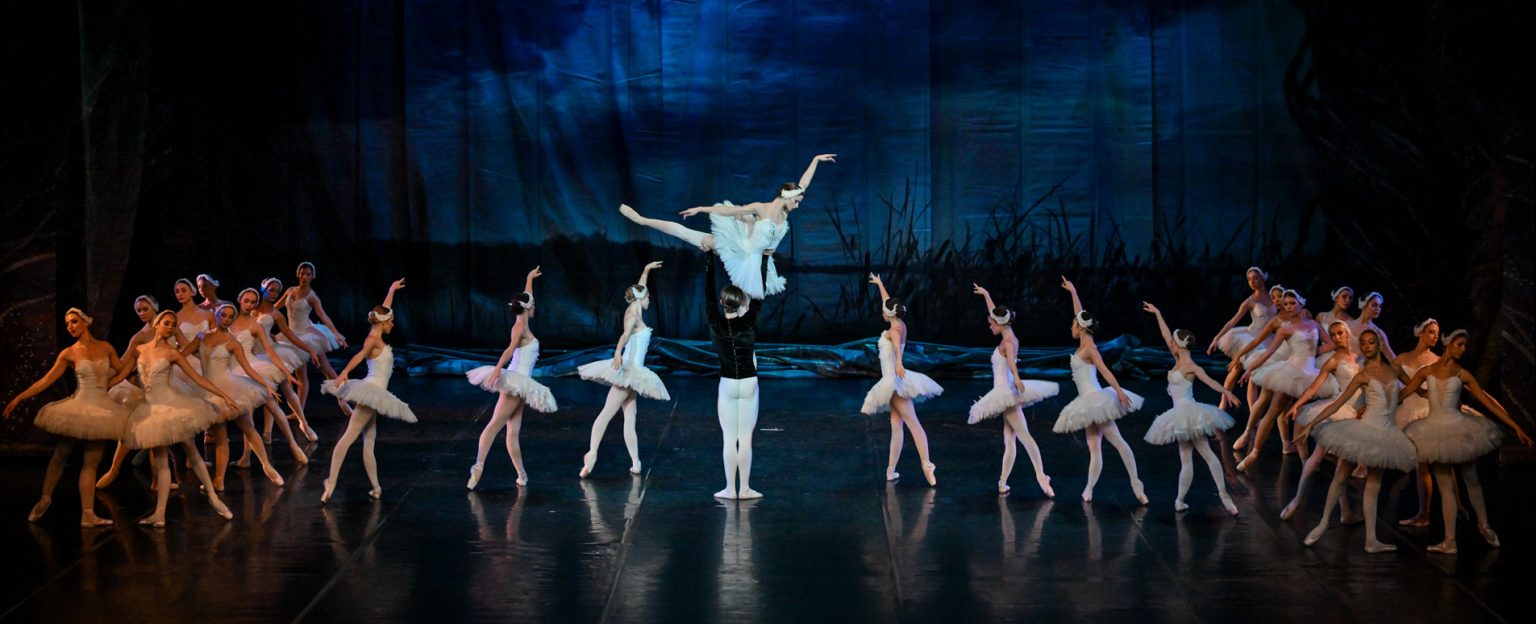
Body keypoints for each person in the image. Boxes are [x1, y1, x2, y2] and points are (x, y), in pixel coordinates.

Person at [619, 154, 837, 299]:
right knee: (693, 236)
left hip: (757, 258)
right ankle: (643, 220)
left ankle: (741, 340)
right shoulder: (761, 208)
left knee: (748, 301)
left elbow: (804, 183)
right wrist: (701, 209)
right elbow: (728, 211)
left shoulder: (785, 211)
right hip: (741, 249)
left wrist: (815, 160)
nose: (797, 206)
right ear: (786, 195)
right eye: (796, 201)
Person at [320, 279, 417, 503]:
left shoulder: (377, 332)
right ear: (384, 322)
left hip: (375, 392)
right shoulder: (373, 338)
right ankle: (331, 483)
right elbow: (360, 355)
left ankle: (376, 488)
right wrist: (345, 371)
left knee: (369, 441)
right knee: (349, 437)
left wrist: (391, 290)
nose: (393, 324)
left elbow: (385, 309)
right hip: (371, 391)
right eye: (391, 321)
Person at [1140, 303, 1240, 515]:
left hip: (1190, 414)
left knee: (1206, 453)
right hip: (1179, 415)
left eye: (1173, 342)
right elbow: (1166, 335)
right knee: (1185, 459)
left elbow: (1210, 381)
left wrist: (1227, 392)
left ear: (1179, 345)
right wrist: (1158, 313)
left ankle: (1224, 496)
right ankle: (1179, 500)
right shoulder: (1177, 359)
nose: (1170, 344)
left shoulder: (1192, 367)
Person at [1054, 277, 1147, 505]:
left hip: (1095, 400)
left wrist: (1120, 392)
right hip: (1087, 402)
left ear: (1080, 328)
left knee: (1118, 442)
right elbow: (1079, 313)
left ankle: (1137, 485)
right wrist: (1073, 292)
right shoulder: (1084, 343)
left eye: (1073, 324)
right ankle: (1089, 489)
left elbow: (1105, 371)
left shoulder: (1090, 349)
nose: (1071, 326)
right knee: (1094, 448)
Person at [465, 268, 558, 489]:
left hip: (520, 383)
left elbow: (528, 297)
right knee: (494, 426)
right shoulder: (520, 327)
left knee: (513, 432)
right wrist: (497, 370)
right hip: (516, 381)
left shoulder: (523, 321)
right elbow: (509, 350)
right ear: (529, 308)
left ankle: (521, 475)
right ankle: (478, 466)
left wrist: (529, 279)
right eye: (533, 305)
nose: (535, 307)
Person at [578, 262, 670, 478]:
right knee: (607, 413)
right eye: (648, 297)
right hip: (628, 372)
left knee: (630, 418)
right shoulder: (632, 316)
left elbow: (640, 288)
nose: (649, 300)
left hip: (634, 375)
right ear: (641, 298)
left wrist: (646, 270)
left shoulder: (637, 310)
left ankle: (636, 463)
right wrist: (618, 352)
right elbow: (625, 335)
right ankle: (591, 455)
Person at [968, 285, 1059, 497]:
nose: (989, 325)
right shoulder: (1009, 335)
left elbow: (1011, 362)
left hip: (1006, 393)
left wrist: (1017, 378)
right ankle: (1002, 482)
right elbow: (995, 314)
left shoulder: (1008, 342)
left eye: (991, 323)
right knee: (1009, 440)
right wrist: (987, 295)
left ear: (1000, 323)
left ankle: (1041, 477)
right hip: (1004, 393)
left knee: (1024, 437)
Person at [861, 274, 943, 486]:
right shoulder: (900, 323)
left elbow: (897, 347)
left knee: (912, 423)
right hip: (892, 381)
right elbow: (887, 303)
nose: (881, 311)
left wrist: (898, 362)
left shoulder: (894, 331)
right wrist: (880, 284)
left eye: (883, 310)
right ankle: (891, 471)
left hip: (894, 381)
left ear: (888, 313)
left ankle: (927, 465)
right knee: (896, 425)